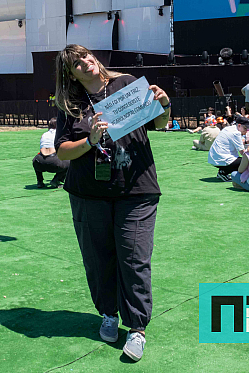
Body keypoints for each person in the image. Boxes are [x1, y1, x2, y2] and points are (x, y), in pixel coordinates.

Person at [53, 44, 172, 362]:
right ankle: (108, 314)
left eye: (86, 56)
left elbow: (158, 125)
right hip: (88, 193)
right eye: (76, 63)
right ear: (70, 74)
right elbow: (62, 151)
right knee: (97, 259)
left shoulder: (127, 84)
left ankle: (136, 328)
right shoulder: (71, 104)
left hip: (136, 190)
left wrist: (164, 105)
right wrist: (90, 139)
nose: (85, 63)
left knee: (134, 259)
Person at [208, 116, 249, 181]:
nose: (246, 131)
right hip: (222, 158)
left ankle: (223, 170)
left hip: (214, 157)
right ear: (239, 126)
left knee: (240, 160)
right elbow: (242, 152)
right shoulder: (236, 133)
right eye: (245, 128)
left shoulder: (228, 128)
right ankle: (223, 172)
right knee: (247, 161)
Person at [32, 118, 69, 188]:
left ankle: (40, 182)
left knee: (35, 160)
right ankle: (56, 180)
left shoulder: (44, 134)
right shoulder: (59, 134)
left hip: (39, 162)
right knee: (70, 161)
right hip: (54, 163)